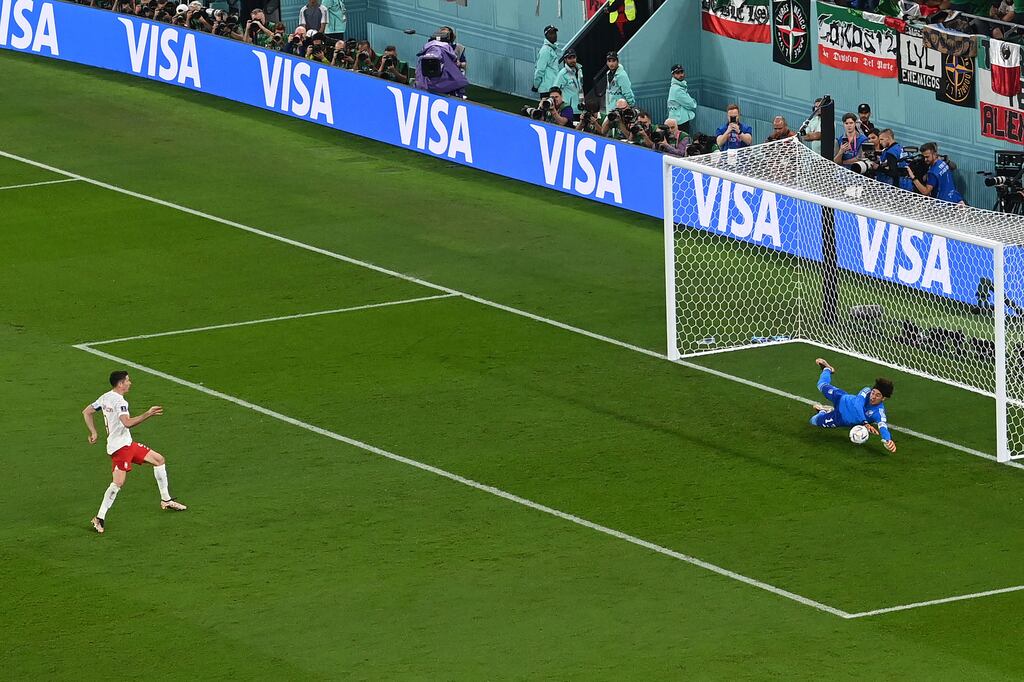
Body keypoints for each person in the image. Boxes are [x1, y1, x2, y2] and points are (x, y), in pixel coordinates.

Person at [82, 371, 187, 534]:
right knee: (118, 483)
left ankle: (166, 500)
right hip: (120, 449)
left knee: (159, 460)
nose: (130, 383)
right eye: (127, 381)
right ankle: (99, 517)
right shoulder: (120, 402)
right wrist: (148, 413)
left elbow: (87, 412)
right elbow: (127, 423)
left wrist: (94, 432)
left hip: (127, 444)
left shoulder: (104, 397)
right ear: (120, 384)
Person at [809, 358, 897, 453]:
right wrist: (865, 423)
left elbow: (882, 425)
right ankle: (827, 369)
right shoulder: (867, 391)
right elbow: (857, 405)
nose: (873, 396)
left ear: (883, 399)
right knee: (821, 384)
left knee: (814, 421)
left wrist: (887, 440)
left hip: (840, 419)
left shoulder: (879, 412)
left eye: (878, 395)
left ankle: (824, 411)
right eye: (873, 392)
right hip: (841, 398)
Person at [552, 49, 584, 117]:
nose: (572, 60)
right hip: (568, 110)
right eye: (569, 58)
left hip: (580, 108)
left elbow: (580, 89)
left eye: (573, 57)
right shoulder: (562, 74)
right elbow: (554, 91)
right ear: (565, 60)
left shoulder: (579, 70)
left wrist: (583, 103)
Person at [666, 64, 696, 134]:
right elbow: (692, 105)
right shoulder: (677, 89)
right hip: (681, 123)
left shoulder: (676, 87)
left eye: (681, 72)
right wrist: (693, 101)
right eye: (677, 73)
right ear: (673, 75)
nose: (681, 74)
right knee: (683, 142)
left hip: (678, 121)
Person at [532, 25, 561, 94]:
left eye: (555, 33)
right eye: (551, 33)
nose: (554, 35)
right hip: (547, 90)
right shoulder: (545, 50)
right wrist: (536, 85)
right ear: (546, 36)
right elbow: (540, 70)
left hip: (552, 88)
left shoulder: (551, 49)